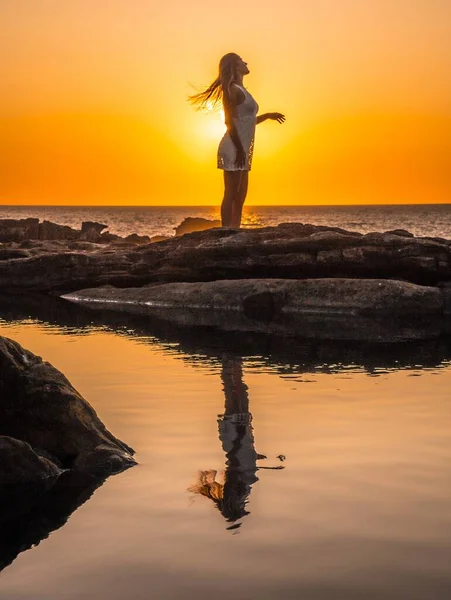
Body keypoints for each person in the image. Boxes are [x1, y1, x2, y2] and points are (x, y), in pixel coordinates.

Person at [189, 53, 285, 228]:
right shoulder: (232, 89)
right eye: (241, 60)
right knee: (231, 193)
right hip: (234, 146)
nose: (246, 62)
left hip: (242, 147)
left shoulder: (243, 90)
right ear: (234, 66)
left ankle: (235, 230)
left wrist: (268, 116)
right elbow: (229, 122)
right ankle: (226, 231)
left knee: (241, 196)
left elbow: (246, 121)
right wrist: (240, 150)